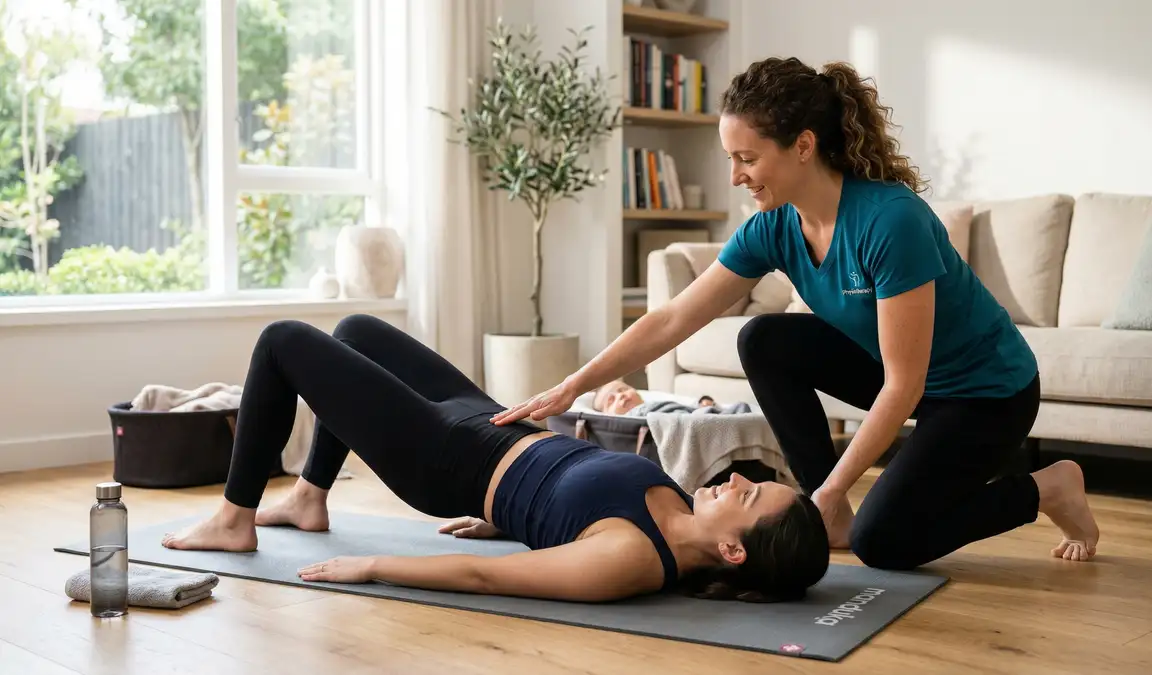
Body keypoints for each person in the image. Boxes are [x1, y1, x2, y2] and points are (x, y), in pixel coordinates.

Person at [491, 57, 1100, 569]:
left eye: (747, 158)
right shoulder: (776, 227)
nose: (735, 176)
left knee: (883, 543)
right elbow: (674, 318)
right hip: (905, 379)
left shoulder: (891, 222)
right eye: (731, 158)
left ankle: (1047, 487)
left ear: (803, 146)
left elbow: (905, 381)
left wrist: (834, 494)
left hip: (985, 394)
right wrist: (573, 385)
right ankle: (826, 508)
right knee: (763, 338)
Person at [159, 314, 830, 603]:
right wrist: (519, 519)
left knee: (283, 342)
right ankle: (309, 495)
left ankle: (233, 515)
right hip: (490, 419)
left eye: (747, 496)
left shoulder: (632, 559)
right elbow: (570, 511)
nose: (738, 478)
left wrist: (372, 565)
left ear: (735, 552)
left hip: (446, 458)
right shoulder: (681, 507)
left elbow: (488, 578)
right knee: (354, 333)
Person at [594, 379, 750, 416]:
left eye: (623, 389)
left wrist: (701, 404)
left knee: (740, 407)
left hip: (688, 415)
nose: (620, 396)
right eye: (611, 400)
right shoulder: (634, 416)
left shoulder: (652, 404)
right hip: (683, 421)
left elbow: (679, 406)